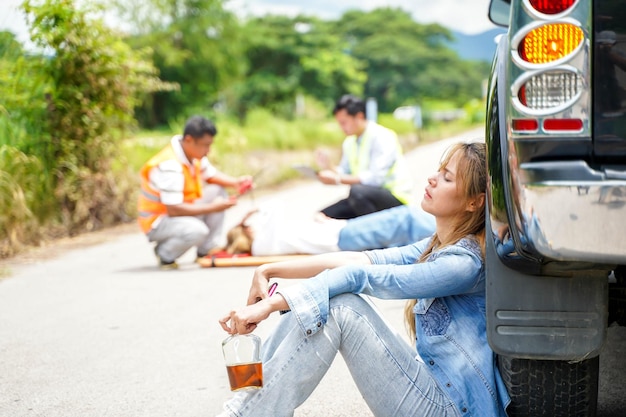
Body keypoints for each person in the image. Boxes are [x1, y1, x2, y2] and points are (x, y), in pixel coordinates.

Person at [217, 141, 510, 417]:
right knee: (325, 302)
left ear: (475, 202)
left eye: (447, 178)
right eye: (438, 171)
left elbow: (361, 276)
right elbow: (360, 258)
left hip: (450, 409)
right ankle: (247, 407)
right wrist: (268, 270)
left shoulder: (463, 264)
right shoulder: (438, 246)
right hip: (432, 392)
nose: (432, 179)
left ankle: (245, 412)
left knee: (342, 307)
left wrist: (269, 305)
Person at [137, 115, 253, 269]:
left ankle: (205, 250)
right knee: (198, 230)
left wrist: (236, 182)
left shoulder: (191, 153)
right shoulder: (170, 165)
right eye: (205, 145)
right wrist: (215, 207)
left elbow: (210, 175)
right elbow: (173, 209)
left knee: (218, 191)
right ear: (189, 140)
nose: (208, 151)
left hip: (178, 209)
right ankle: (165, 253)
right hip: (158, 221)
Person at [316, 94, 413, 219]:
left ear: (359, 117)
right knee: (322, 216)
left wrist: (337, 179)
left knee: (356, 193)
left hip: (395, 198)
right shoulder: (349, 142)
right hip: (365, 196)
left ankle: (376, 236)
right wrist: (328, 166)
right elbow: (344, 172)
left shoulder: (382, 136)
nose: (342, 128)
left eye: (344, 123)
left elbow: (375, 179)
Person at [223, 204, 435, 256]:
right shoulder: (261, 245)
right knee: (404, 218)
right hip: (341, 236)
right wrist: (250, 212)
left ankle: (445, 237)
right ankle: (459, 231)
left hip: (341, 230)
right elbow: (274, 206)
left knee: (401, 225)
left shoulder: (267, 240)